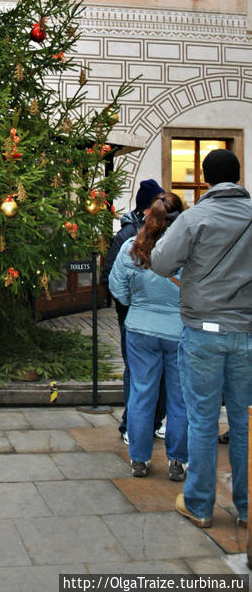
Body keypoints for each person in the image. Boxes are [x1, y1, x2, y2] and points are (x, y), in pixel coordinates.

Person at [151, 149, 252, 529]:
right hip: (246, 332)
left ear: (206, 179)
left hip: (203, 332)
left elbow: (161, 262)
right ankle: (246, 507)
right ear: (238, 177)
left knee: (204, 420)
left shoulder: (195, 218)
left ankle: (199, 505)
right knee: (243, 423)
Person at [109, 192, 187, 479]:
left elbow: (117, 287)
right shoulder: (188, 251)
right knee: (180, 397)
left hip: (140, 327)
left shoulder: (132, 247)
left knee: (142, 393)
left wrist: (136, 305)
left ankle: (139, 459)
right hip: (179, 329)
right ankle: (177, 460)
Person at [101, 179, 166, 444]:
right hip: (133, 317)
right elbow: (110, 277)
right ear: (146, 208)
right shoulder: (127, 235)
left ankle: (154, 422)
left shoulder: (168, 231)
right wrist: (128, 306)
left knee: (161, 374)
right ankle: (131, 424)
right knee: (137, 372)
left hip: (161, 317)